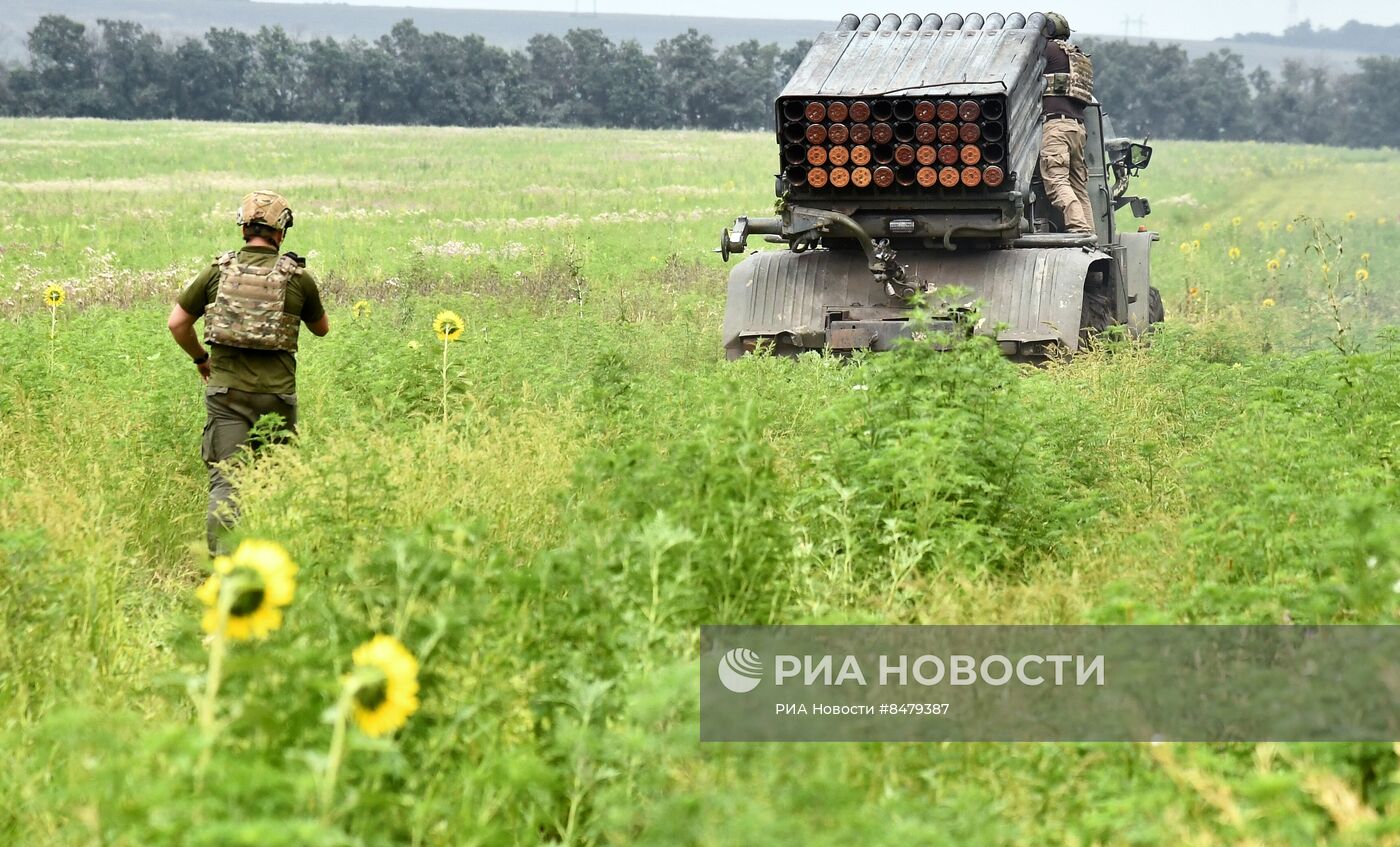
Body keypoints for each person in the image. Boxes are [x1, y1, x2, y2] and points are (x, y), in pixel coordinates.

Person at [166, 190, 329, 554]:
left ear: (243, 228)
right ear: (281, 233)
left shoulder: (216, 272)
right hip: (278, 397)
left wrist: (201, 359)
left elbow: (177, 324)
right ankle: (270, 563)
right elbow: (322, 329)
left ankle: (223, 567)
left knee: (227, 484)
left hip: (227, 396)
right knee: (275, 482)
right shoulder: (298, 278)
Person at [1040, 12, 1095, 234]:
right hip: (1077, 129)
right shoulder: (1077, 56)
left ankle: (1079, 229)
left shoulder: (1048, 50)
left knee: (1057, 181)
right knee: (1079, 187)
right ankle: (1090, 234)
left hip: (1056, 128)